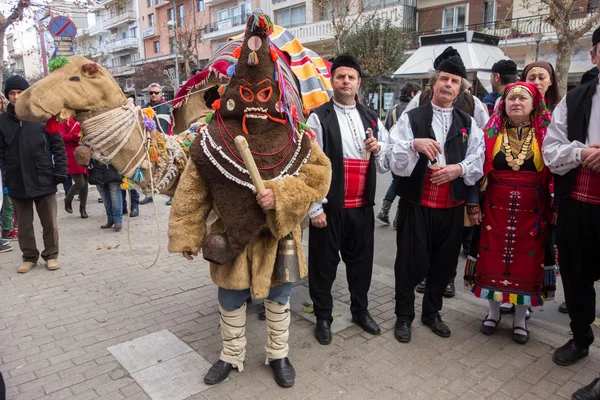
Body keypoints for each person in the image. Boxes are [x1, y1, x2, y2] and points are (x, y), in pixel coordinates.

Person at [168, 12, 331, 388]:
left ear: (276, 90)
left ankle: (278, 354)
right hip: (231, 231)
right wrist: (188, 234)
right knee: (229, 297)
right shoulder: (212, 137)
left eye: (263, 94)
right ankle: (231, 355)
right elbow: (193, 189)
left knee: (279, 297)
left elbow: (320, 177)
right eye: (246, 95)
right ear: (231, 93)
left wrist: (284, 195)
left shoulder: (296, 135)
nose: (256, 103)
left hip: (279, 234)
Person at [388, 47, 485, 343]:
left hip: (451, 206)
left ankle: (432, 313)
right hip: (417, 204)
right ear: (433, 83)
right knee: (409, 263)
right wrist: (413, 144)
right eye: (443, 79)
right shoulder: (413, 117)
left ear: (460, 89)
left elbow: (478, 159)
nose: (448, 85)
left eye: (454, 81)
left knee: (443, 265)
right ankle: (404, 316)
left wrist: (457, 169)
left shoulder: (468, 124)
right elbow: (393, 156)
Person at [306, 54, 389, 345]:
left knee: (361, 264)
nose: (345, 82)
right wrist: (314, 207)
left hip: (362, 207)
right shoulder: (318, 116)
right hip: (329, 207)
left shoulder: (371, 117)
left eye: (350, 77)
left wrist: (378, 148)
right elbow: (309, 165)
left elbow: (385, 164)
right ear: (332, 80)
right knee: (323, 266)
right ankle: (323, 317)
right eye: (340, 76)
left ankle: (361, 310)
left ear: (358, 82)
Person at [464, 82, 553, 344]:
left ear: (534, 103)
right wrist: (473, 205)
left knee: (528, 262)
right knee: (491, 258)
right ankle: (492, 312)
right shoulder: (489, 133)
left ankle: (519, 318)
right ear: (503, 103)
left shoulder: (546, 133)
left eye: (522, 98)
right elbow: (477, 168)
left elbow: (556, 171)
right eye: (511, 98)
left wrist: (555, 206)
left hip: (533, 209)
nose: (516, 102)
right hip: (494, 206)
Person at [542, 27, 600, 372]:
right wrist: (581, 153)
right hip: (577, 203)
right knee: (576, 278)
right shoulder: (575, 99)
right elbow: (551, 151)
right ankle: (580, 338)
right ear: (594, 55)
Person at [0, 76, 68, 273]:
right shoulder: (3, 121)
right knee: (24, 225)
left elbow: (58, 146)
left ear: (27, 93)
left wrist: (60, 172)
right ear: (7, 96)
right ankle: (29, 257)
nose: (16, 96)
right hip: (17, 180)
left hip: (44, 177)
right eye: (12, 93)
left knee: (49, 223)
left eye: (20, 92)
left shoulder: (42, 116)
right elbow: (1, 152)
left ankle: (51, 255)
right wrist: (5, 175)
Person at [378, 82, 422, 228]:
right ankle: (397, 217)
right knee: (403, 184)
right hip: (407, 150)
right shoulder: (413, 110)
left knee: (396, 181)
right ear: (412, 94)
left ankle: (385, 210)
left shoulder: (394, 108)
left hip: (393, 149)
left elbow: (385, 129)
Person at [49, 117, 89, 219]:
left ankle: (83, 208)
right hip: (72, 154)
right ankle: (68, 199)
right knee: (80, 182)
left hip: (84, 153)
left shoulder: (82, 119)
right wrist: (76, 136)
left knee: (85, 182)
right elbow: (61, 136)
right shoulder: (65, 120)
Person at [140, 83, 172, 206]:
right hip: (149, 143)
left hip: (165, 141)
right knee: (149, 168)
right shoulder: (143, 108)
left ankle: (171, 195)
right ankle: (149, 194)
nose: (153, 95)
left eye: (156, 92)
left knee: (169, 167)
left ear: (161, 93)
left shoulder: (168, 107)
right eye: (151, 93)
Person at [88, 160, 123, 231]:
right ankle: (110, 219)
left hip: (110, 166)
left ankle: (117, 219)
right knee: (104, 197)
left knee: (115, 194)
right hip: (96, 168)